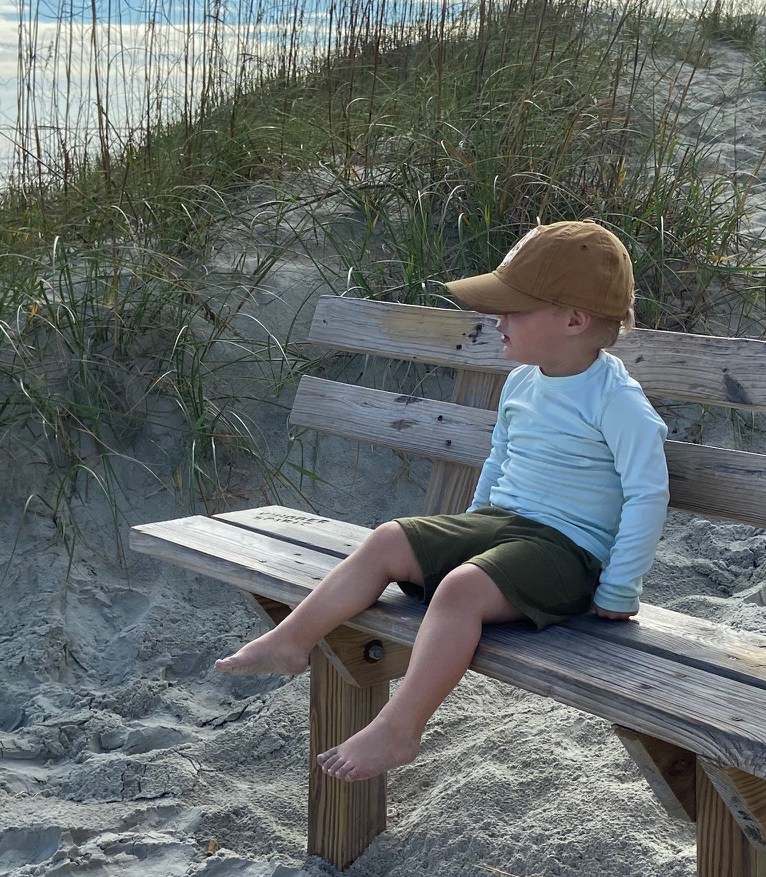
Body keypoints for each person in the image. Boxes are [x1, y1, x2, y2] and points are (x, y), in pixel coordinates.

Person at [215, 219, 670, 781]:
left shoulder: (616, 400)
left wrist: (620, 587)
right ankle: (291, 640)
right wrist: (472, 526)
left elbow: (648, 493)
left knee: (459, 590)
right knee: (388, 539)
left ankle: (400, 728)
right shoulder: (524, 381)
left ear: (574, 320)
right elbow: (499, 460)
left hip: (568, 556)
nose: (497, 320)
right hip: (504, 525)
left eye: (514, 310)